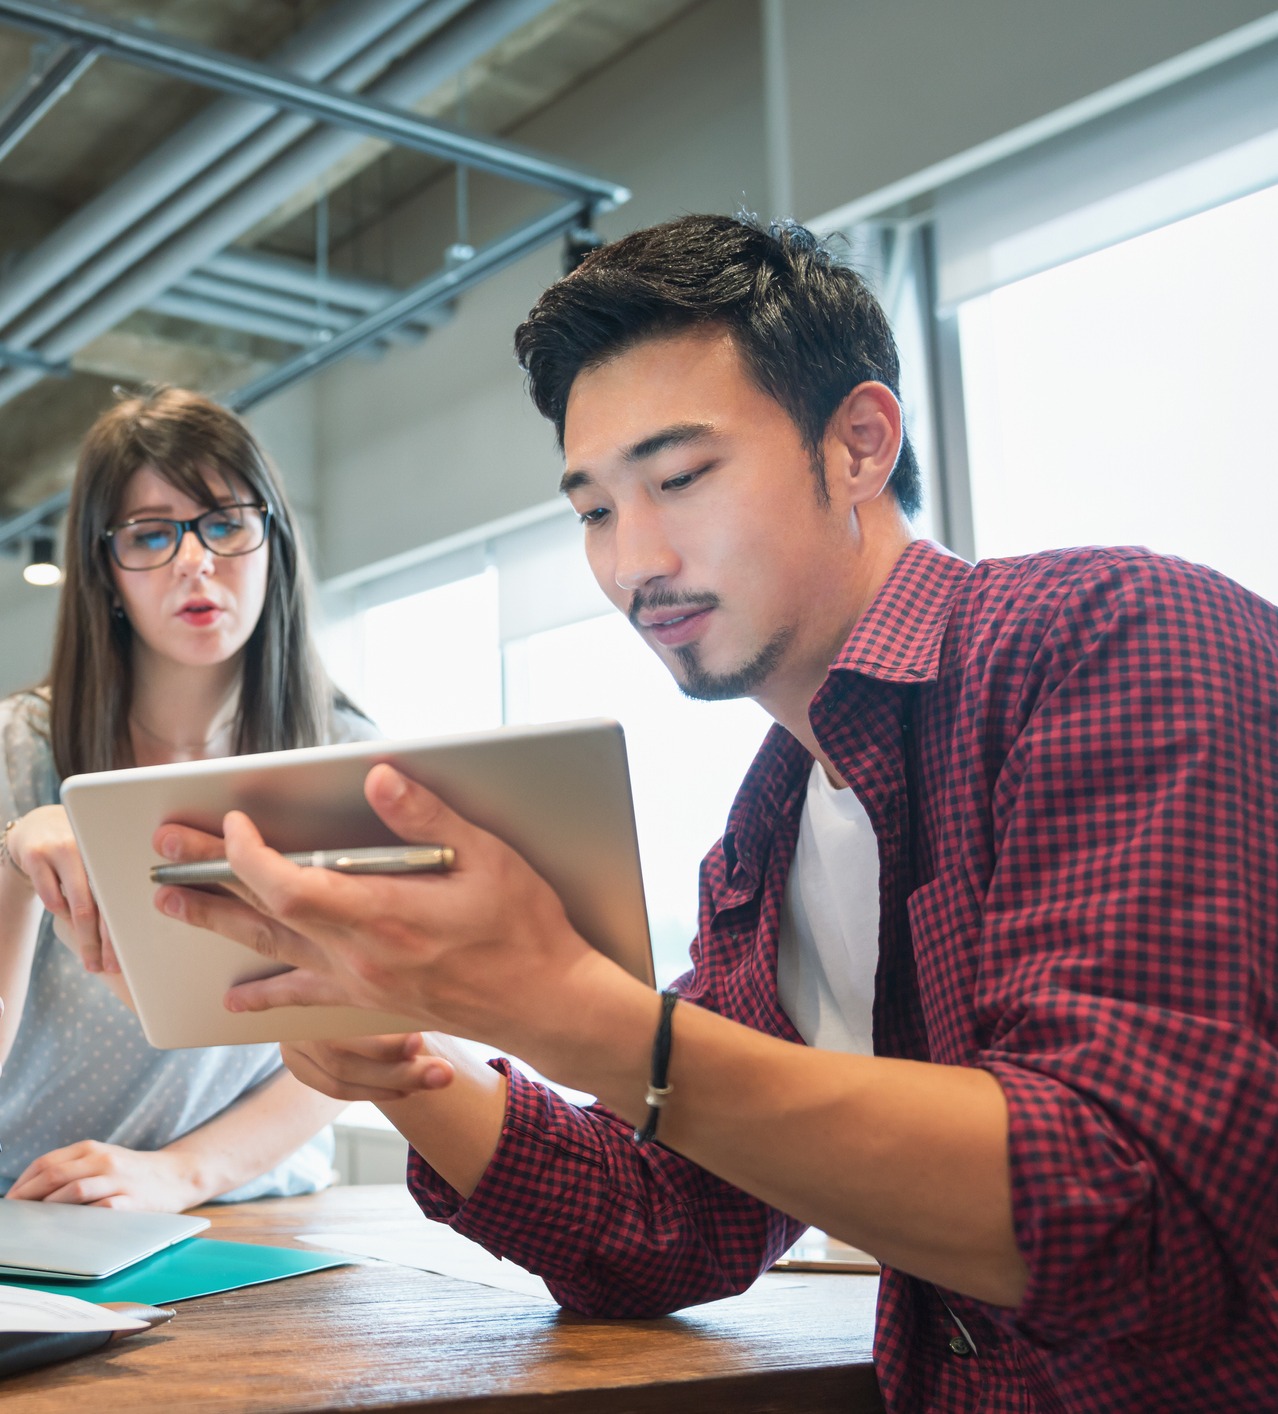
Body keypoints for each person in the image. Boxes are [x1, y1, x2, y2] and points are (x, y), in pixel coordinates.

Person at [154, 216, 1278, 1411]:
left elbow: (1129, 1210)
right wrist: (411, 1068)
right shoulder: (769, 823)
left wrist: (575, 1011)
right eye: (593, 510)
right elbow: (673, 1217)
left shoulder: (1116, 639)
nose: (634, 560)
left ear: (856, 444)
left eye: (681, 478)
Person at [0, 386, 376, 1212]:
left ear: (273, 539)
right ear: (106, 570)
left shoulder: (351, 759)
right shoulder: (17, 750)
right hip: (33, 1206)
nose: (194, 561)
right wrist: (14, 872)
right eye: (151, 535)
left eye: (224, 522)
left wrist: (183, 1173)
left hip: (250, 1206)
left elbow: (366, 1034)